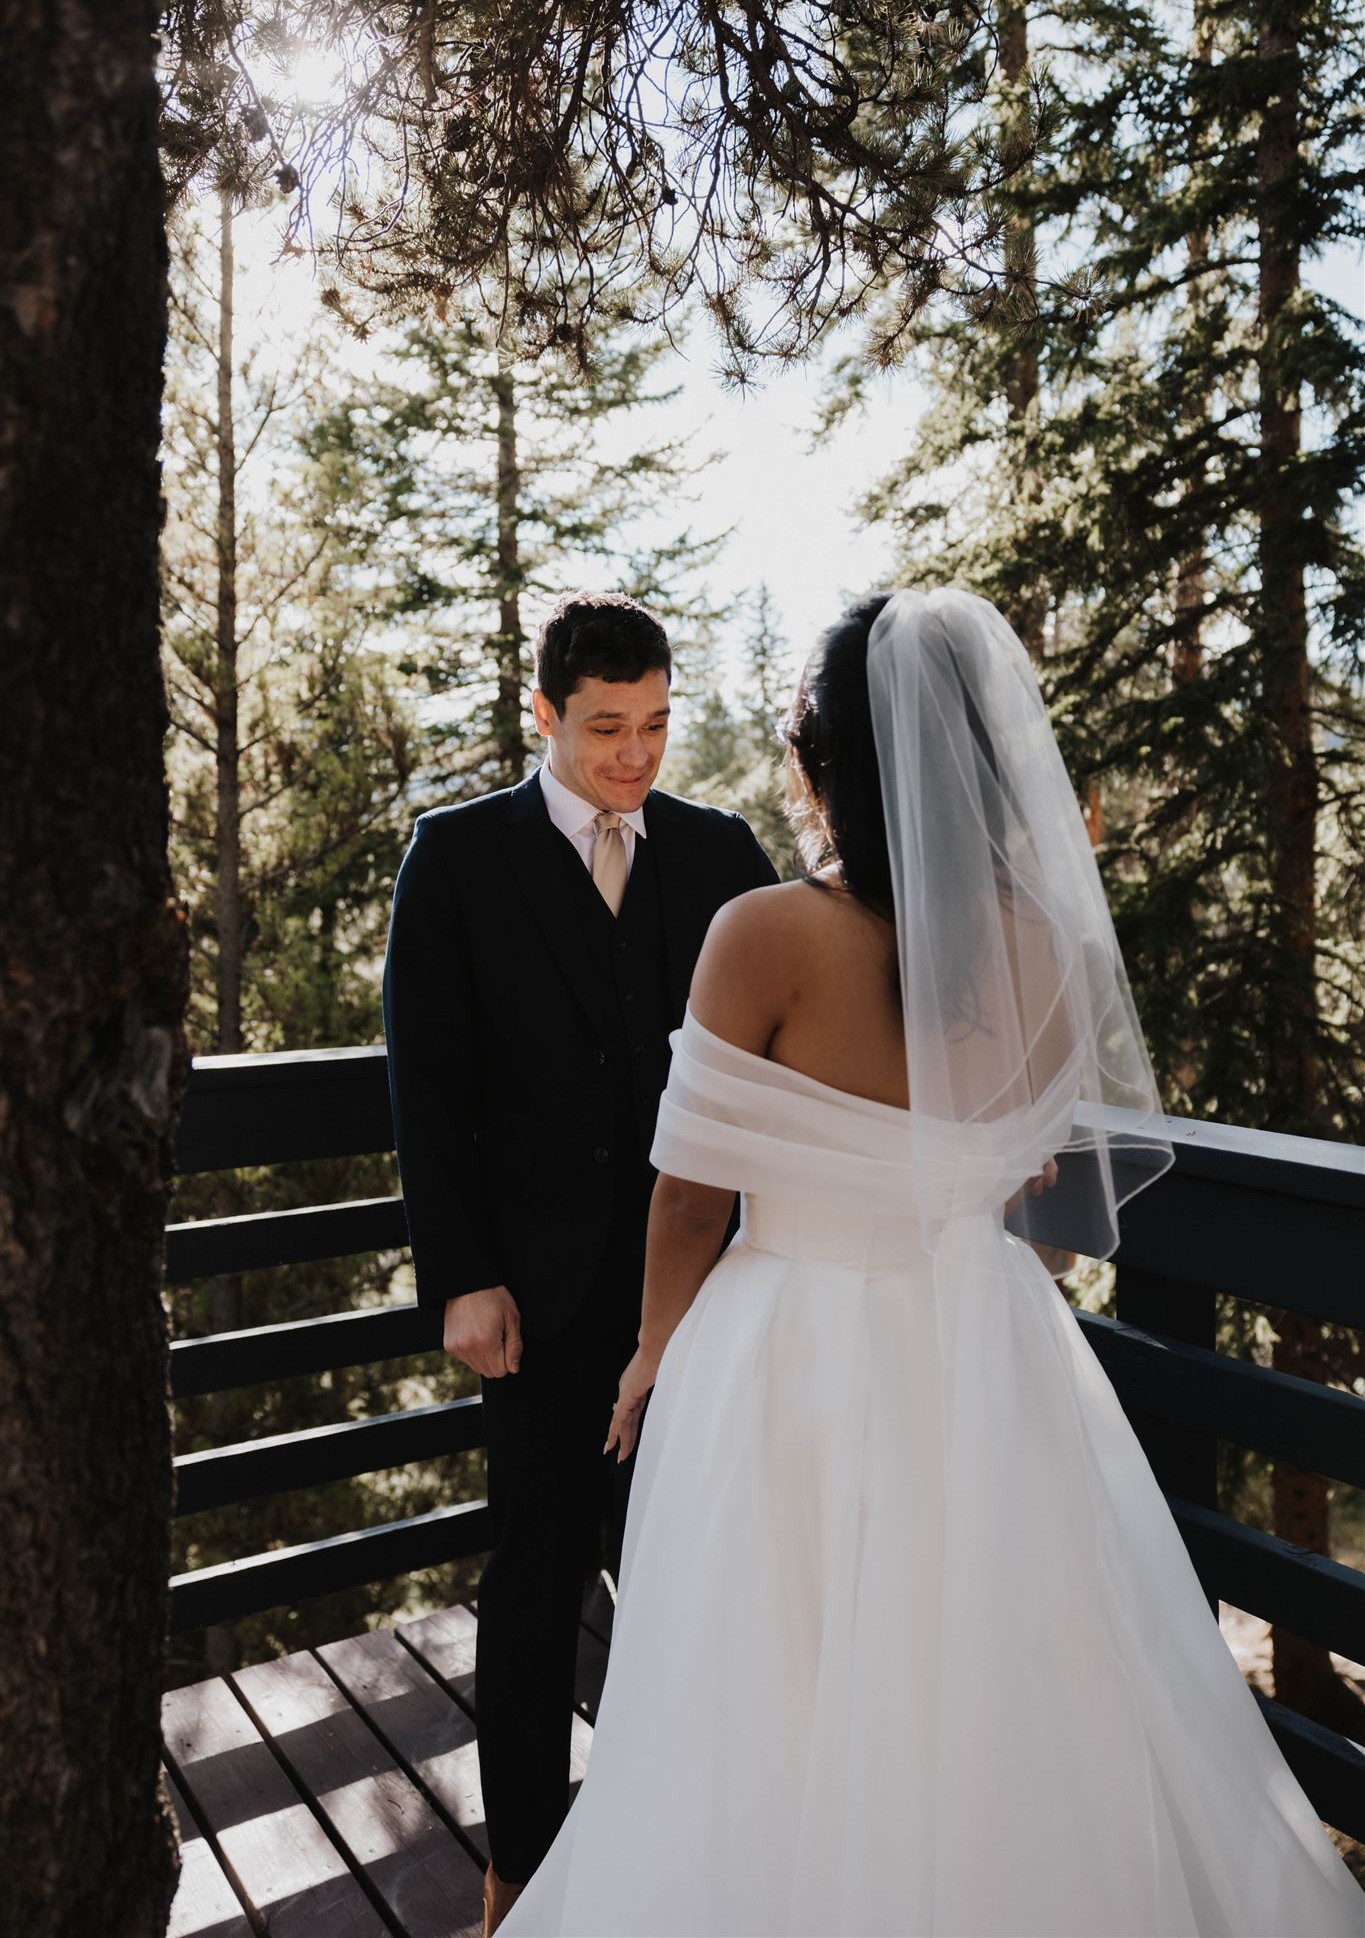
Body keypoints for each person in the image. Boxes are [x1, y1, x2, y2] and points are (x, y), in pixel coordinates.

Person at [499, 588, 1365, 1937]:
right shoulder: (1058, 955)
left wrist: (655, 1347)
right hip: (984, 1331)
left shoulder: (763, 933)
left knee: (768, 1679)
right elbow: (1028, 1165)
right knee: (1008, 1666)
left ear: (820, 766)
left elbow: (685, 1196)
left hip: (790, 1338)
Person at [381, 591, 778, 1935]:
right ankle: (524, 1874)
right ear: (542, 714)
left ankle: (676, 1866)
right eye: (605, 727)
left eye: (656, 725)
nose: (633, 756)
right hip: (535, 1303)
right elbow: (426, 1087)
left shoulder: (723, 852)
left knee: (693, 1578)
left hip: (710, 1295)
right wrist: (462, 1275)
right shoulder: (456, 857)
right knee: (536, 1582)